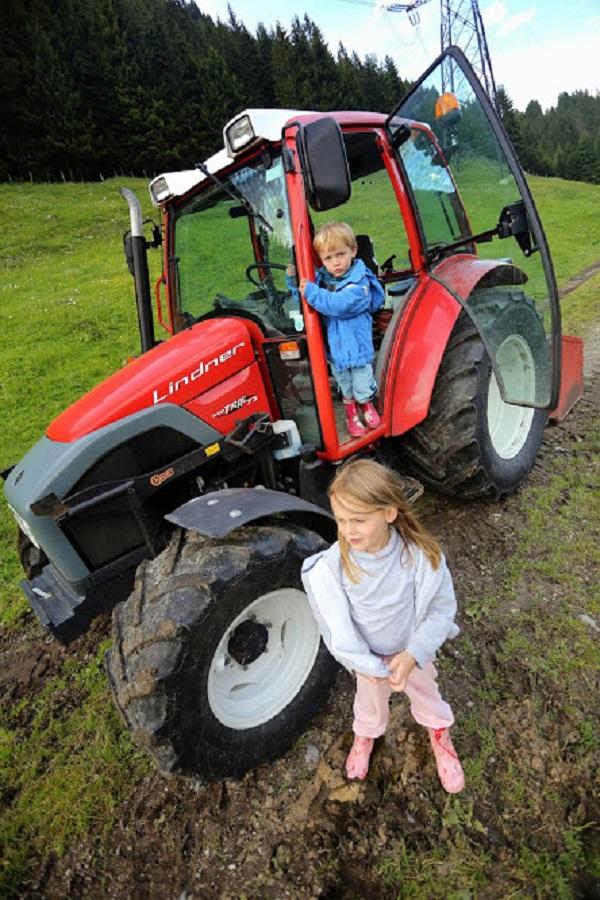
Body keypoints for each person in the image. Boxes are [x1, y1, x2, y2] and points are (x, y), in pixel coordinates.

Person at [301, 458, 465, 793]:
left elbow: (440, 608)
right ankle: (366, 735)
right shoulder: (335, 566)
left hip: (411, 653)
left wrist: (415, 653)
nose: (348, 530)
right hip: (369, 659)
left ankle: (439, 734)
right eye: (341, 520)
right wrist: (367, 664)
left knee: (427, 694)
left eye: (359, 520)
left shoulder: (419, 556)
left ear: (389, 513)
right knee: (369, 703)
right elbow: (337, 625)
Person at [297, 222, 385, 438]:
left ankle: (366, 406)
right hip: (336, 349)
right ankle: (351, 413)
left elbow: (338, 305)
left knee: (362, 381)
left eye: (340, 254)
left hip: (358, 347)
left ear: (353, 251)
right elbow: (302, 295)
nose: (335, 262)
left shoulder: (360, 283)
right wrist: (294, 281)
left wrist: (312, 292)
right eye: (328, 258)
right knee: (344, 384)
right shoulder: (323, 281)